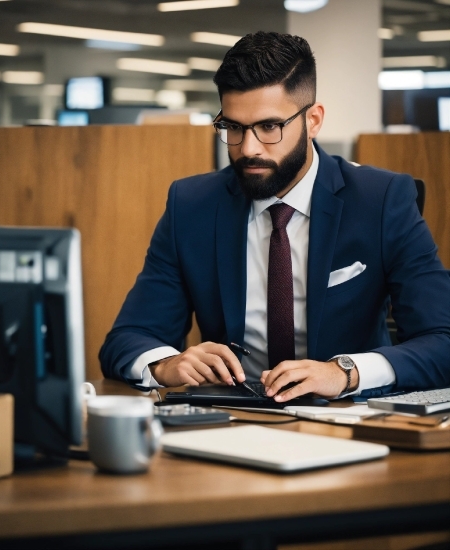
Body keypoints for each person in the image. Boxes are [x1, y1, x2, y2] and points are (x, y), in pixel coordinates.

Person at [99, 31, 450, 402]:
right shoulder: (191, 205)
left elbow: (443, 341)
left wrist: (344, 372)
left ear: (313, 121)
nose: (248, 149)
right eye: (233, 127)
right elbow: (126, 339)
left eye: (269, 127)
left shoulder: (381, 200)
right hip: (232, 420)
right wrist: (165, 364)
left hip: (346, 418)